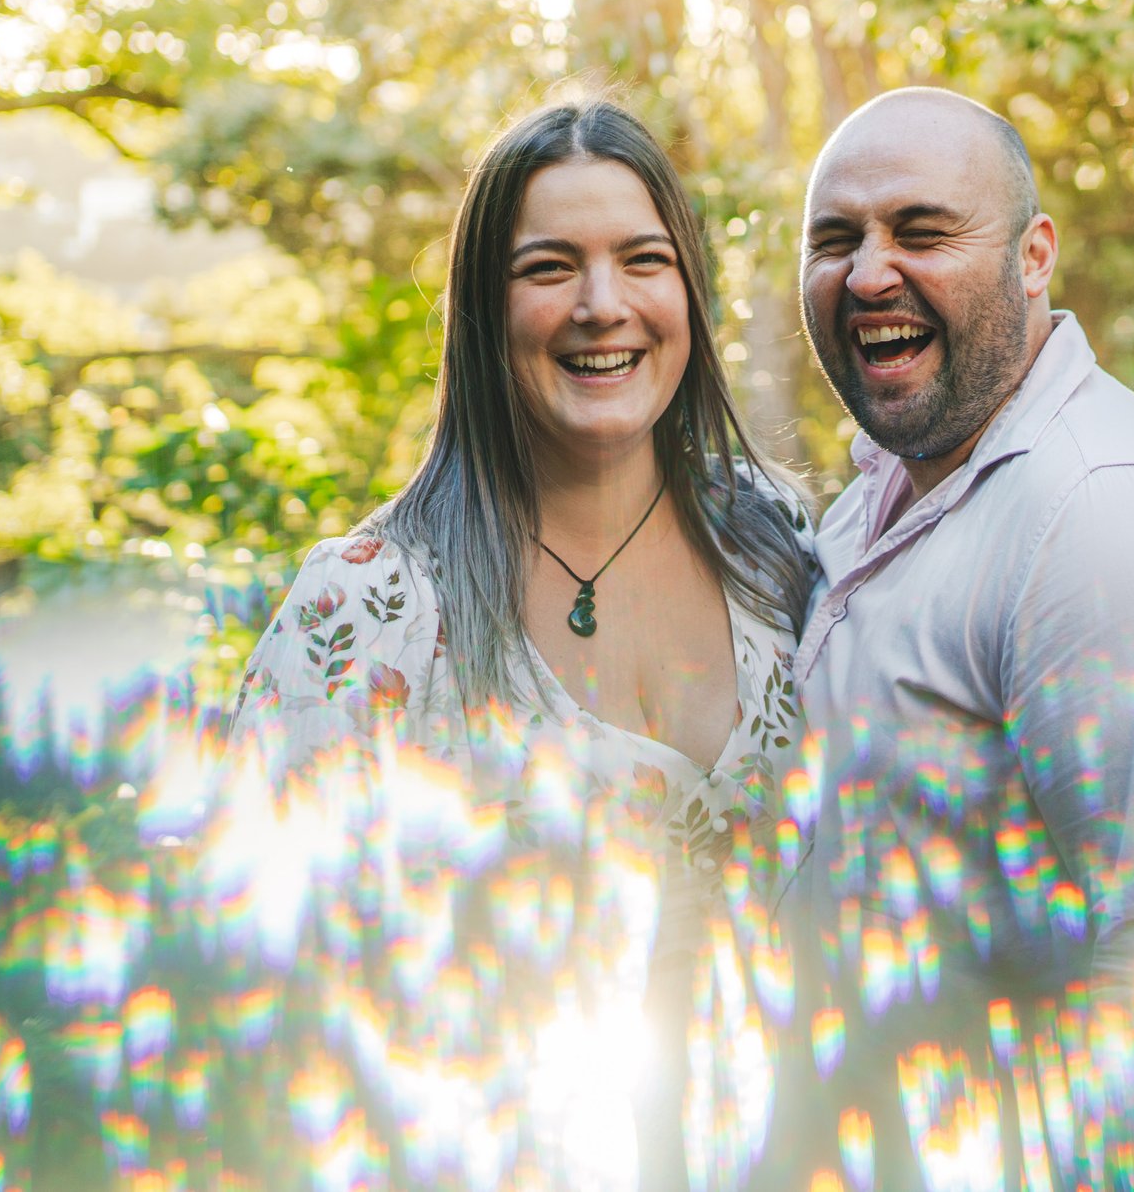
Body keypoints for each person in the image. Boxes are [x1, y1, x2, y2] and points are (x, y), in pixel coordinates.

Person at [226, 97, 816, 1191]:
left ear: (689, 289)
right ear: (482, 310)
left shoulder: (780, 546)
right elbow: (256, 985)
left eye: (642, 259)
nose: (603, 304)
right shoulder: (367, 606)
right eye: (549, 268)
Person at [767, 88, 1134, 1191]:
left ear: (1033, 255)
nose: (867, 274)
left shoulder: (1101, 512)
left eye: (922, 231)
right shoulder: (874, 505)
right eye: (836, 239)